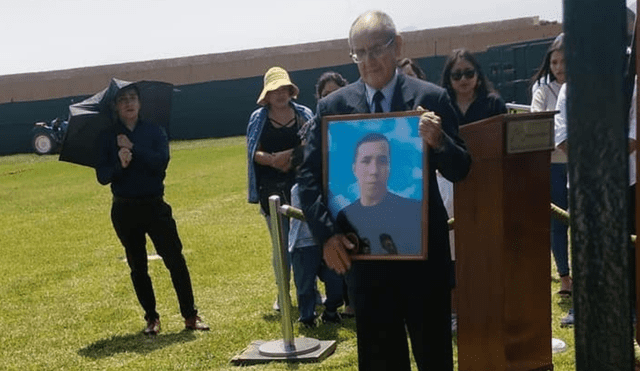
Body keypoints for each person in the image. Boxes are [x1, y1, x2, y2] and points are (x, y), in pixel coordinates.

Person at [297, 10, 471, 370]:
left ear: (398, 46)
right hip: (366, 261)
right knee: (379, 361)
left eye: (375, 49)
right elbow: (309, 176)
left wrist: (440, 142)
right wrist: (327, 236)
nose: (368, 60)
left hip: (424, 261)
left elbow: (461, 167)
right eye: (358, 52)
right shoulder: (334, 107)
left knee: (434, 356)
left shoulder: (432, 98)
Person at [96, 84, 209, 335]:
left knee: (175, 260)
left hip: (155, 206)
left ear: (140, 103)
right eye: (123, 99)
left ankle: (190, 315)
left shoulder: (154, 131)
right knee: (138, 266)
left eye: (133, 98)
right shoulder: (107, 136)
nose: (128, 103)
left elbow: (161, 163)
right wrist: (119, 164)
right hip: (125, 210)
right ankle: (151, 318)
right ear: (115, 106)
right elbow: (102, 176)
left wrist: (134, 148)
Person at [555, 80, 637, 326]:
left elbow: (635, 130)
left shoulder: (631, 81)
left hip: (623, 180)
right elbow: (561, 134)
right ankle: (587, 306)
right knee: (586, 248)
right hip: (584, 182)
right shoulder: (570, 88)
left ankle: (628, 306)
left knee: (625, 247)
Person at [246, 66, 314, 311]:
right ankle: (283, 293)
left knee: (306, 244)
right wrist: (273, 160)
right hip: (271, 191)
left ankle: (310, 292)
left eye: (284, 88)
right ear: (267, 94)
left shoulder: (304, 114)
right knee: (281, 246)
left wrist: (286, 156)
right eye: (274, 89)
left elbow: (311, 147)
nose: (280, 94)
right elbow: (255, 153)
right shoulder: (258, 118)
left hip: (302, 188)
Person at [287, 71, 347, 327]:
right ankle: (307, 316)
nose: (331, 99)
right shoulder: (310, 128)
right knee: (305, 282)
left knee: (337, 278)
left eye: (335, 93)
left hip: (340, 221)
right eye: (325, 95)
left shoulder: (357, 120)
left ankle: (338, 307)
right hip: (308, 240)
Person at [530, 33, 572, 297]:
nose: (559, 67)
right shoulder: (543, 91)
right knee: (558, 224)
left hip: (580, 166)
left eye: (564, 61)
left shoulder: (585, 86)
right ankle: (565, 279)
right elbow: (537, 125)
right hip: (555, 166)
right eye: (554, 62)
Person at [336, 132, 422, 256]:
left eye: (382, 161)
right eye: (366, 161)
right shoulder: (344, 218)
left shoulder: (414, 211)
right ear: (354, 169)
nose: (374, 171)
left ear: (389, 167)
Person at [441, 48, 507, 125]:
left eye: (469, 73)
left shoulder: (494, 104)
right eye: (457, 75)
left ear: (477, 74)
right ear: (448, 78)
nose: (463, 79)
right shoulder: (442, 106)